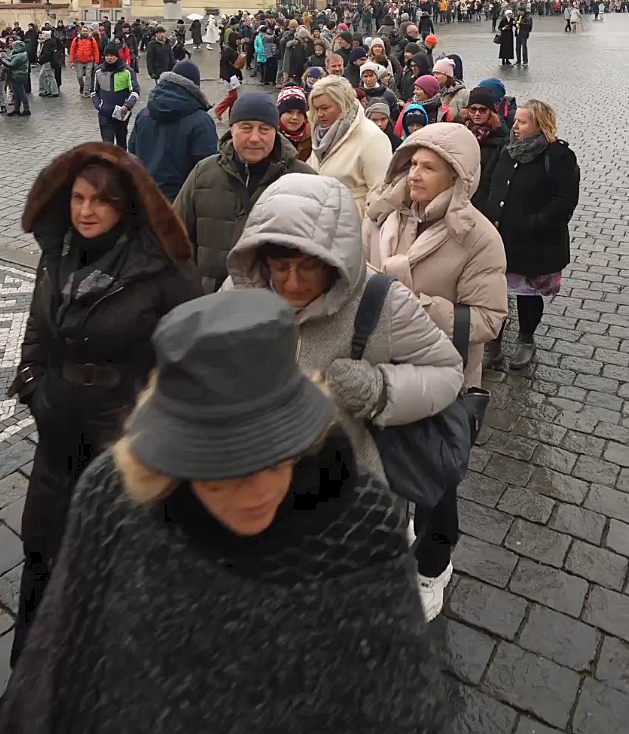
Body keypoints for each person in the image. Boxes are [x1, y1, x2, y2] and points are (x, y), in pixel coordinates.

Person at [2, 289, 448, 733]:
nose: (257, 492)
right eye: (223, 471)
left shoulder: (361, 521)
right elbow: (55, 674)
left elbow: (407, 704)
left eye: (277, 459)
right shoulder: (110, 499)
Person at [226, 174, 463, 610]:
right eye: (280, 267)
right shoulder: (242, 292)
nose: (292, 282)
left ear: (335, 258)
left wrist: (380, 390)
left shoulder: (381, 302)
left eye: (308, 266)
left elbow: (447, 371)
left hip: (355, 494)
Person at [5, 142, 202, 665]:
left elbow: (189, 358)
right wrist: (34, 386)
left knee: (117, 562)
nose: (86, 211)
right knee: (44, 554)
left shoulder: (162, 269)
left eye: (101, 201)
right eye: (78, 198)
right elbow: (36, 331)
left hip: (125, 438)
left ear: (125, 206)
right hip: (58, 427)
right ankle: (30, 676)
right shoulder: (59, 253)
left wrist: (148, 420)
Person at [363, 123, 507, 617]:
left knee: (436, 484)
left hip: (443, 379)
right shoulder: (385, 218)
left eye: (428, 167)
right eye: (412, 164)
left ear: (458, 177)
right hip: (381, 371)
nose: (415, 175)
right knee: (381, 467)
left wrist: (411, 306)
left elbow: (488, 321)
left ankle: (434, 567)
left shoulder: (479, 237)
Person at [174, 93, 312, 293]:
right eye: (246, 128)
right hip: (208, 302)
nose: (254, 138)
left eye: (264, 129)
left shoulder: (303, 178)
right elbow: (174, 238)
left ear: (276, 132)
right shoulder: (203, 173)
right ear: (232, 130)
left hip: (274, 303)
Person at [485, 99, 580, 370]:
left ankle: (526, 339)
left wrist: (533, 222)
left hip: (536, 241)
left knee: (528, 293)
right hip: (501, 237)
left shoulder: (558, 156)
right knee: (494, 291)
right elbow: (492, 182)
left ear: (539, 125)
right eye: (514, 120)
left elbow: (564, 201)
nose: (514, 126)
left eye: (521, 122)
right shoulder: (507, 148)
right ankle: (493, 342)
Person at [129, 60, 218, 202]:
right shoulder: (201, 121)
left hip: (145, 198)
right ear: (195, 87)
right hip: (181, 203)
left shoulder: (144, 114)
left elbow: (132, 155)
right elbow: (208, 169)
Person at [307, 75, 392, 218]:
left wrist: (367, 233)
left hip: (353, 223)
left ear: (343, 104)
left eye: (325, 108)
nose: (320, 114)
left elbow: (380, 192)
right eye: (316, 109)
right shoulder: (319, 134)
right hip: (320, 220)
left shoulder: (372, 137)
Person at [460, 87, 509, 212]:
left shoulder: (501, 137)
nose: (477, 114)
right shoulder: (459, 130)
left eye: (482, 110)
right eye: (473, 109)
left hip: (483, 201)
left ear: (490, 112)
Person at [91, 43, 140, 149]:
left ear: (117, 56)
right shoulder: (98, 72)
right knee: (107, 146)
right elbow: (94, 91)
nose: (109, 58)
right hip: (105, 113)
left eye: (112, 55)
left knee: (121, 144)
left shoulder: (127, 72)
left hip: (121, 113)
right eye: (107, 55)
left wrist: (127, 106)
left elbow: (135, 91)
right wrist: (99, 105)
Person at [276, 85, 312, 161]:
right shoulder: (270, 134)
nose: (295, 117)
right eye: (289, 112)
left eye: (300, 112)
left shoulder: (313, 135)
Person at [214, 33, 242, 122]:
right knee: (233, 96)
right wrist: (225, 76)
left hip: (233, 76)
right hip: (229, 76)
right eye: (237, 39)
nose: (239, 41)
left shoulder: (234, 49)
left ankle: (231, 116)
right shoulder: (228, 50)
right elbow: (224, 64)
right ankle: (219, 109)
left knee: (233, 97)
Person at [68, 24, 100, 97]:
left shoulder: (91, 39)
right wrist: (71, 61)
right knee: (79, 76)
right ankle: (82, 86)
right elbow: (72, 50)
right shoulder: (76, 39)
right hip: (78, 61)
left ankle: (87, 91)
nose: (85, 32)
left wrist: (96, 61)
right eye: (83, 31)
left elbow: (96, 50)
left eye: (86, 31)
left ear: (88, 31)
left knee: (88, 76)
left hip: (89, 60)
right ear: (80, 31)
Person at [5, 40, 32, 116]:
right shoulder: (21, 54)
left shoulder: (20, 55)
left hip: (18, 76)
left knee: (21, 93)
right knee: (17, 94)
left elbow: (12, 64)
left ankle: (26, 109)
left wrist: (2, 59)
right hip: (17, 75)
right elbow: (12, 60)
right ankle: (16, 109)